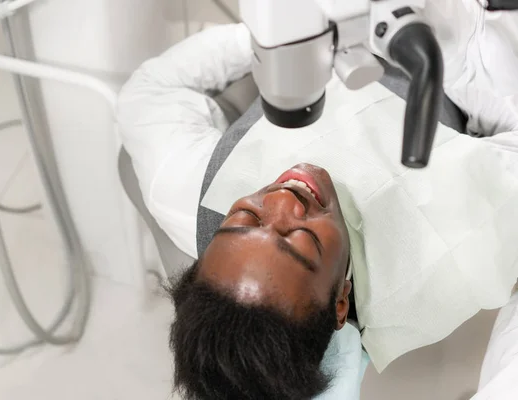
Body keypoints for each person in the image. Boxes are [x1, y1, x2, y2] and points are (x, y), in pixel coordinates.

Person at [117, 2, 518, 399]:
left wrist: (279, 43)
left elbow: (149, 92)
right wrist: (449, 36)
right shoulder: (449, 255)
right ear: (340, 302)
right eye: (303, 242)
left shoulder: (189, 193)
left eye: (246, 217)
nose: (283, 200)